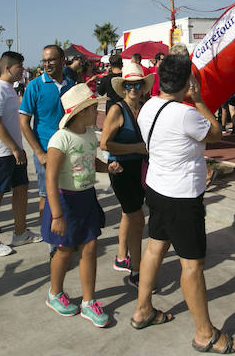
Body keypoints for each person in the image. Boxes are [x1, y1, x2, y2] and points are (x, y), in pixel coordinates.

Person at [131, 54, 235, 353]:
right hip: (181, 197)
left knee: (156, 245)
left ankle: (143, 309)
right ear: (187, 82)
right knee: (192, 265)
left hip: (156, 188)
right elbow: (216, 133)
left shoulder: (148, 107)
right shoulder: (186, 114)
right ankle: (205, 333)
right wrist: (200, 100)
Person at [43, 84, 111, 326]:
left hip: (86, 197)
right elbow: (50, 177)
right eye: (94, 108)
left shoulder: (89, 134)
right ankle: (55, 293)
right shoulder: (60, 139)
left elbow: (92, 161)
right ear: (81, 112)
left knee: (90, 247)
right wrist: (57, 215)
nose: (97, 112)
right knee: (64, 250)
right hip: (64, 201)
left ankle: (88, 301)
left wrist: (108, 167)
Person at [0, 51, 42, 256]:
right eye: (19, 67)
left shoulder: (9, 89)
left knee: (21, 188)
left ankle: (20, 232)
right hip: (0, 152)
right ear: (7, 68)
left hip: (14, 150)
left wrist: (17, 148)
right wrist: (14, 148)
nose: (22, 70)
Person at [99, 62, 152, 287]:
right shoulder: (116, 110)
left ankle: (122, 257)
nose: (134, 89)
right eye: (129, 85)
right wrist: (136, 148)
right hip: (120, 170)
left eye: (138, 84)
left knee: (129, 215)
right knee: (137, 219)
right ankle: (137, 272)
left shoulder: (146, 108)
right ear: (123, 87)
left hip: (139, 169)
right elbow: (105, 144)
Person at [20, 45, 75, 225]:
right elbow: (24, 123)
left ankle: (66, 236)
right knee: (46, 195)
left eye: (51, 60)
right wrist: (39, 153)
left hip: (69, 152)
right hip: (46, 152)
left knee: (67, 194)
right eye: (44, 60)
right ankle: (50, 238)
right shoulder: (34, 87)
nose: (47, 64)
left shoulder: (71, 86)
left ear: (62, 61)